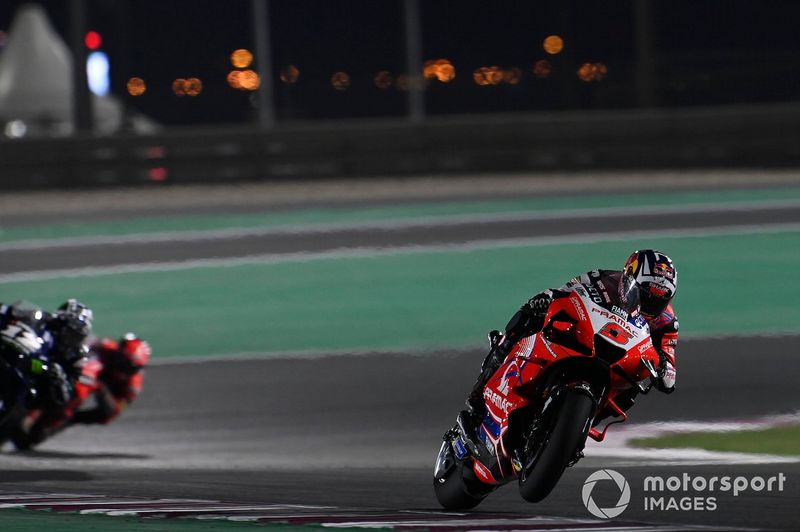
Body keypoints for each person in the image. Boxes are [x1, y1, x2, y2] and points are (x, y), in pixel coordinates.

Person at [462, 249, 679, 438]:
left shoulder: (667, 322)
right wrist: (547, 299)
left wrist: (665, 371)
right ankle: (481, 388)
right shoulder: (602, 278)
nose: (650, 304)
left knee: (637, 384)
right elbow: (568, 290)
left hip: (623, 359)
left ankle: (577, 430)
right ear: (628, 278)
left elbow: (669, 358)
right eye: (645, 295)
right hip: (589, 336)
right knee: (530, 316)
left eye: (658, 300)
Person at [12, 333, 151, 449]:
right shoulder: (107, 347)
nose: (122, 366)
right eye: (121, 360)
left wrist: (100, 387)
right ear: (119, 351)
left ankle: (50, 426)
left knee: (77, 415)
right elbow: (88, 342)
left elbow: (113, 411)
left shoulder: (133, 385)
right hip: (88, 377)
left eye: (129, 367)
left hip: (106, 396)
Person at [0, 299, 93, 408]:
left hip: (30, 379)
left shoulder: (74, 355)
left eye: (76, 336)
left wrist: (58, 376)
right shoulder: (40, 319)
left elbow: (66, 395)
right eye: (70, 332)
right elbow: (7, 312)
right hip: (11, 352)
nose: (71, 339)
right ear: (62, 323)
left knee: (23, 395)